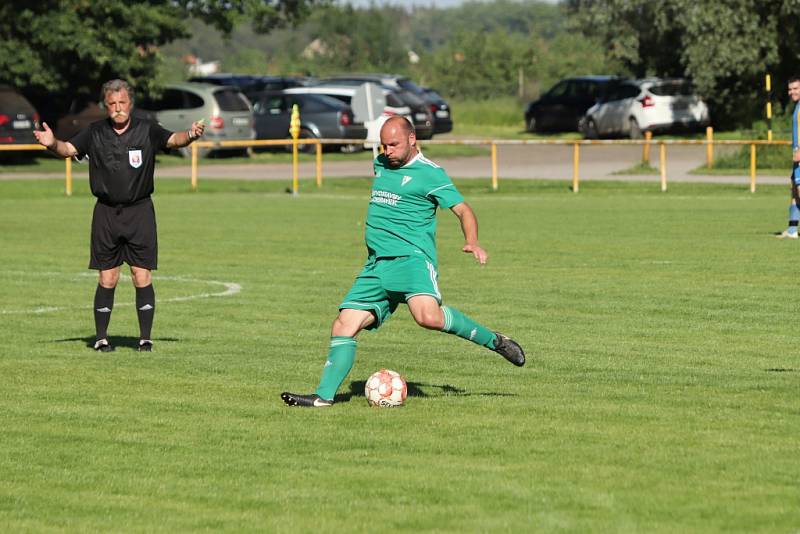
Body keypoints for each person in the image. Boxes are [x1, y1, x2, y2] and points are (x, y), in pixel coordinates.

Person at [281, 116, 525, 408]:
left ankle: (494, 340)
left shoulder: (431, 174)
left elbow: (464, 210)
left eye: (394, 144)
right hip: (376, 266)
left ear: (412, 139)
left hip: (412, 261)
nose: (387, 151)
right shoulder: (382, 163)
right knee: (344, 324)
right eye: (383, 145)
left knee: (428, 318)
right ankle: (324, 396)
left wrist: (472, 241)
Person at [33, 79, 205, 352]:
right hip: (106, 213)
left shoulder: (146, 130)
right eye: (112, 104)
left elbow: (173, 140)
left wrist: (191, 135)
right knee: (107, 278)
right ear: (106, 106)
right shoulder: (95, 132)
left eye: (122, 103)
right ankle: (101, 339)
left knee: (141, 275)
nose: (117, 108)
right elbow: (68, 150)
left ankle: (145, 338)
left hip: (140, 212)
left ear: (130, 103)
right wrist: (52, 142)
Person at [777, 75, 800, 239]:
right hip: (796, 158)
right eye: (790, 89)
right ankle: (792, 230)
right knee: (794, 191)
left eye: (796, 88)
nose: (792, 92)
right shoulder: (797, 107)